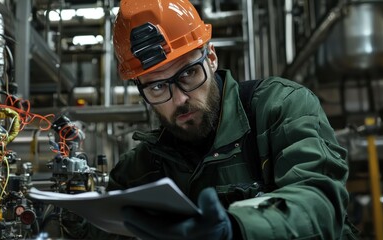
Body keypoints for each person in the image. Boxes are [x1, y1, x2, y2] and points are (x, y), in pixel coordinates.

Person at [90, 0, 359, 239]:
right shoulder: (140, 169)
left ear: (212, 58)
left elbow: (320, 205)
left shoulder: (280, 108)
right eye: (157, 87)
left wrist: (236, 227)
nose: (180, 98)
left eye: (188, 74)